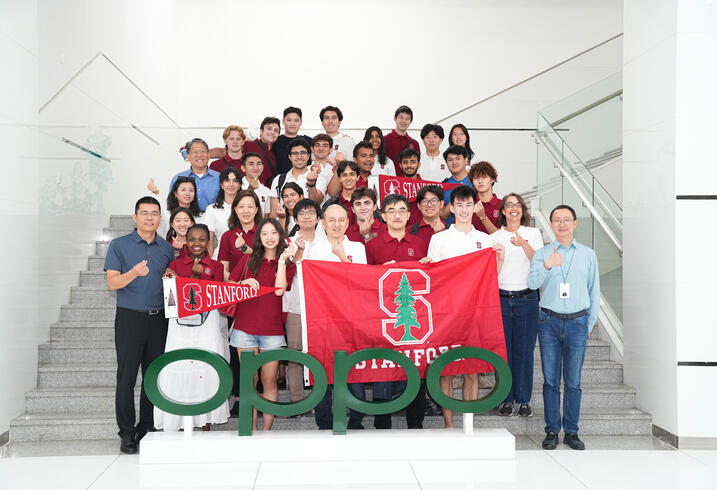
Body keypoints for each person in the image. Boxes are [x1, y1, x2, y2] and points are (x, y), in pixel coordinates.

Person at [427, 185, 505, 428]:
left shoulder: (484, 239)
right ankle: (449, 424)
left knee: (472, 368)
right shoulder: (438, 239)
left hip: (475, 313)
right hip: (447, 313)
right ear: (451, 207)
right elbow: (433, 279)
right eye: (458, 205)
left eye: (468, 204)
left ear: (475, 206)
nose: (463, 209)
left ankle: (468, 421)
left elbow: (490, 278)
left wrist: (499, 260)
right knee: (447, 370)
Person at [104, 196, 174, 454]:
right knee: (126, 377)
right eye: (144, 213)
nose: (149, 218)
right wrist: (133, 272)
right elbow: (112, 283)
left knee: (152, 376)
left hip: (158, 319)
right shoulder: (119, 245)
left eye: (154, 213)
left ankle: (147, 427)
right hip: (129, 317)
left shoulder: (166, 248)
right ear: (135, 217)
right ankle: (127, 433)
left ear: (159, 218)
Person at [527, 204, 600, 451]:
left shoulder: (588, 254)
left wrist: (589, 323)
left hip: (578, 322)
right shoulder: (542, 253)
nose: (561, 224)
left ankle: (571, 431)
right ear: (551, 224)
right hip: (549, 321)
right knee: (550, 380)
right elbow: (531, 283)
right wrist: (547, 265)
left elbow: (594, 290)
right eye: (556, 220)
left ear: (575, 223)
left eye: (566, 219)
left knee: (573, 381)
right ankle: (551, 431)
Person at [155, 224, 230, 431]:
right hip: (180, 326)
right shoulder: (175, 264)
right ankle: (178, 418)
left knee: (206, 366)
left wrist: (196, 279)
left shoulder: (215, 267)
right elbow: (173, 299)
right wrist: (171, 281)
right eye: (192, 239)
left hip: (207, 324)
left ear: (208, 242)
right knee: (180, 365)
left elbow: (212, 299)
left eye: (202, 239)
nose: (197, 243)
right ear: (186, 242)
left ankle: (205, 419)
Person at [366, 194, 430, 430]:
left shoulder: (419, 243)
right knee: (384, 368)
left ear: (409, 214)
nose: (397, 215)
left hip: (414, 317)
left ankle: (415, 422)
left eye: (402, 210)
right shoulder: (372, 245)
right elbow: (365, 283)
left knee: (416, 366)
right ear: (382, 215)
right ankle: (382, 422)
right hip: (384, 317)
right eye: (391, 210)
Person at [228, 218, 295, 431]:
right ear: (259, 237)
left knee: (269, 381)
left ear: (281, 236)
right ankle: (252, 429)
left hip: (272, 331)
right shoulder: (249, 259)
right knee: (250, 382)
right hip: (244, 329)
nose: (269, 237)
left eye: (273, 233)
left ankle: (266, 431)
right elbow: (230, 284)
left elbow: (278, 290)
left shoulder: (288, 264)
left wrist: (283, 261)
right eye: (264, 233)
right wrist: (242, 283)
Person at [305, 204, 367, 429]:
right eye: (331, 220)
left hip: (350, 320)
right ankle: (324, 422)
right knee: (322, 369)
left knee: (353, 371)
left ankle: (356, 420)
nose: (337, 224)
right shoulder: (313, 249)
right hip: (321, 319)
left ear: (348, 222)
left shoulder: (358, 248)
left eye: (341, 219)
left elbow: (361, 282)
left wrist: (343, 259)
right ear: (323, 223)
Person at [490, 193, 543, 418]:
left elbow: (538, 262)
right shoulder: (494, 236)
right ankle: (505, 399)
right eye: (509, 205)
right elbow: (490, 272)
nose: (513, 208)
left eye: (517, 205)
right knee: (504, 353)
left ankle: (523, 400)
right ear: (502, 211)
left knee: (524, 352)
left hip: (527, 299)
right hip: (501, 298)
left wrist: (523, 244)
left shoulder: (533, 233)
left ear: (522, 210)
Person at [282, 199, 322, 407]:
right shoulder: (287, 243)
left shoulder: (327, 242)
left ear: (318, 218)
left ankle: (324, 399)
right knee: (295, 354)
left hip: (323, 308)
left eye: (311, 212)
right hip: (296, 307)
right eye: (302, 213)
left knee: (323, 353)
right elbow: (289, 268)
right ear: (295, 218)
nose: (307, 216)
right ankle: (296, 401)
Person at [269, 138, 328, 217]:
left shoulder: (319, 178)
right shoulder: (279, 180)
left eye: (303, 153)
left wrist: (311, 183)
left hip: (311, 226)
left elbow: (316, 202)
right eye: (295, 153)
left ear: (308, 156)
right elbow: (273, 213)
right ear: (290, 157)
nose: (299, 157)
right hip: (285, 227)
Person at [217, 190, 260, 281]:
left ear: (256, 209)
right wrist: (238, 284)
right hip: (235, 289)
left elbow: (267, 263)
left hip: (261, 287)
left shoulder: (263, 234)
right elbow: (223, 270)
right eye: (241, 207)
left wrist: (244, 248)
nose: (246, 211)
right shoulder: (227, 236)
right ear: (235, 209)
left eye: (250, 207)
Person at [169, 138, 220, 212]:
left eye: (202, 151)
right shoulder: (177, 178)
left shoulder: (220, 178)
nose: (199, 155)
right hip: (185, 222)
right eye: (195, 152)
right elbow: (171, 205)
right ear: (188, 156)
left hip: (213, 222)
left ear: (209, 155)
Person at [204, 167, 242, 259]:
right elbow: (210, 241)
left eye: (235, 181)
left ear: (240, 185)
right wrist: (210, 264)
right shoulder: (212, 209)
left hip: (244, 257)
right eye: (227, 180)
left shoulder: (247, 207)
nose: (231, 184)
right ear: (221, 184)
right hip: (220, 257)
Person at [273, 107, 313, 175]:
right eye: (289, 120)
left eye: (296, 120)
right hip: (281, 182)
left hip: (304, 182)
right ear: (283, 121)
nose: (292, 124)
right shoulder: (275, 141)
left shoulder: (308, 141)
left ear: (300, 122)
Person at [439, 145, 472, 224]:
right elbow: (443, 215)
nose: (454, 162)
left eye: (458, 158)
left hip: (472, 231)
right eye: (450, 160)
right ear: (446, 163)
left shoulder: (475, 180)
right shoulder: (444, 184)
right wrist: (457, 195)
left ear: (466, 160)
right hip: (450, 231)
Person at [383, 105, 421, 175]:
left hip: (408, 182)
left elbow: (417, 167)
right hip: (390, 181)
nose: (404, 121)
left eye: (407, 119)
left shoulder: (414, 143)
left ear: (410, 121)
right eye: (401, 118)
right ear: (395, 118)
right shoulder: (385, 140)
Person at [243, 117, 280, 185]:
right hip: (250, 191)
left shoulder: (276, 152)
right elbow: (225, 151)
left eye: (276, 131)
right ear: (261, 131)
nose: (272, 132)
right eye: (269, 128)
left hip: (267, 192)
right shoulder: (249, 145)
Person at [322, 160, 360, 225]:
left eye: (352, 174)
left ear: (358, 177)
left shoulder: (367, 201)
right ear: (339, 178)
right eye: (344, 175)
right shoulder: (330, 203)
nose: (348, 178)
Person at [468, 161, 502, 234]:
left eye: (484, 177)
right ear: (472, 181)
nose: (480, 181)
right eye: (476, 178)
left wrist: (483, 217)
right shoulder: (467, 204)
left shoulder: (502, 205)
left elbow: (502, 237)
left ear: (493, 179)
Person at [240, 152, 271, 218]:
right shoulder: (236, 186)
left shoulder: (267, 191)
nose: (255, 167)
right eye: (251, 164)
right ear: (243, 168)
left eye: (258, 164)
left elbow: (266, 216)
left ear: (262, 167)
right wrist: (250, 190)